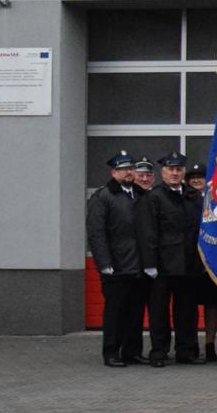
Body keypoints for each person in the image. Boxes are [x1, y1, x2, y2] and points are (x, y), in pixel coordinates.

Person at [136, 152, 207, 365]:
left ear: (184, 172)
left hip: (189, 263)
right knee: (159, 312)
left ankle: (186, 351)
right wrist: (149, 264)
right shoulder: (154, 197)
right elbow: (147, 232)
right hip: (163, 265)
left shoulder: (193, 196)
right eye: (171, 169)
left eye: (178, 169)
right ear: (163, 172)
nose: (175, 173)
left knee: (187, 311)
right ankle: (159, 352)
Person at [86, 151, 146, 367]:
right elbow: (96, 232)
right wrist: (104, 263)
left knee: (135, 312)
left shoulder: (141, 194)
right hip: (116, 267)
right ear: (114, 172)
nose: (128, 172)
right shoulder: (103, 197)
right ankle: (111, 352)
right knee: (115, 313)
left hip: (138, 266)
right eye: (123, 169)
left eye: (131, 168)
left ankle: (132, 351)